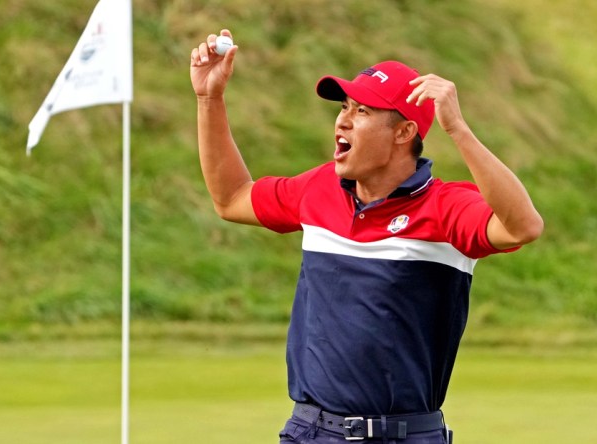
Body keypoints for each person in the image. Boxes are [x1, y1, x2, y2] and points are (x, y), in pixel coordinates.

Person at [190, 29, 543, 444]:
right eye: (344, 107)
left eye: (362, 111)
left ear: (403, 132)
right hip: (309, 432)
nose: (342, 120)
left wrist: (459, 130)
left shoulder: (445, 208)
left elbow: (524, 226)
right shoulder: (318, 188)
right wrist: (208, 100)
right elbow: (232, 199)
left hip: (402, 436)